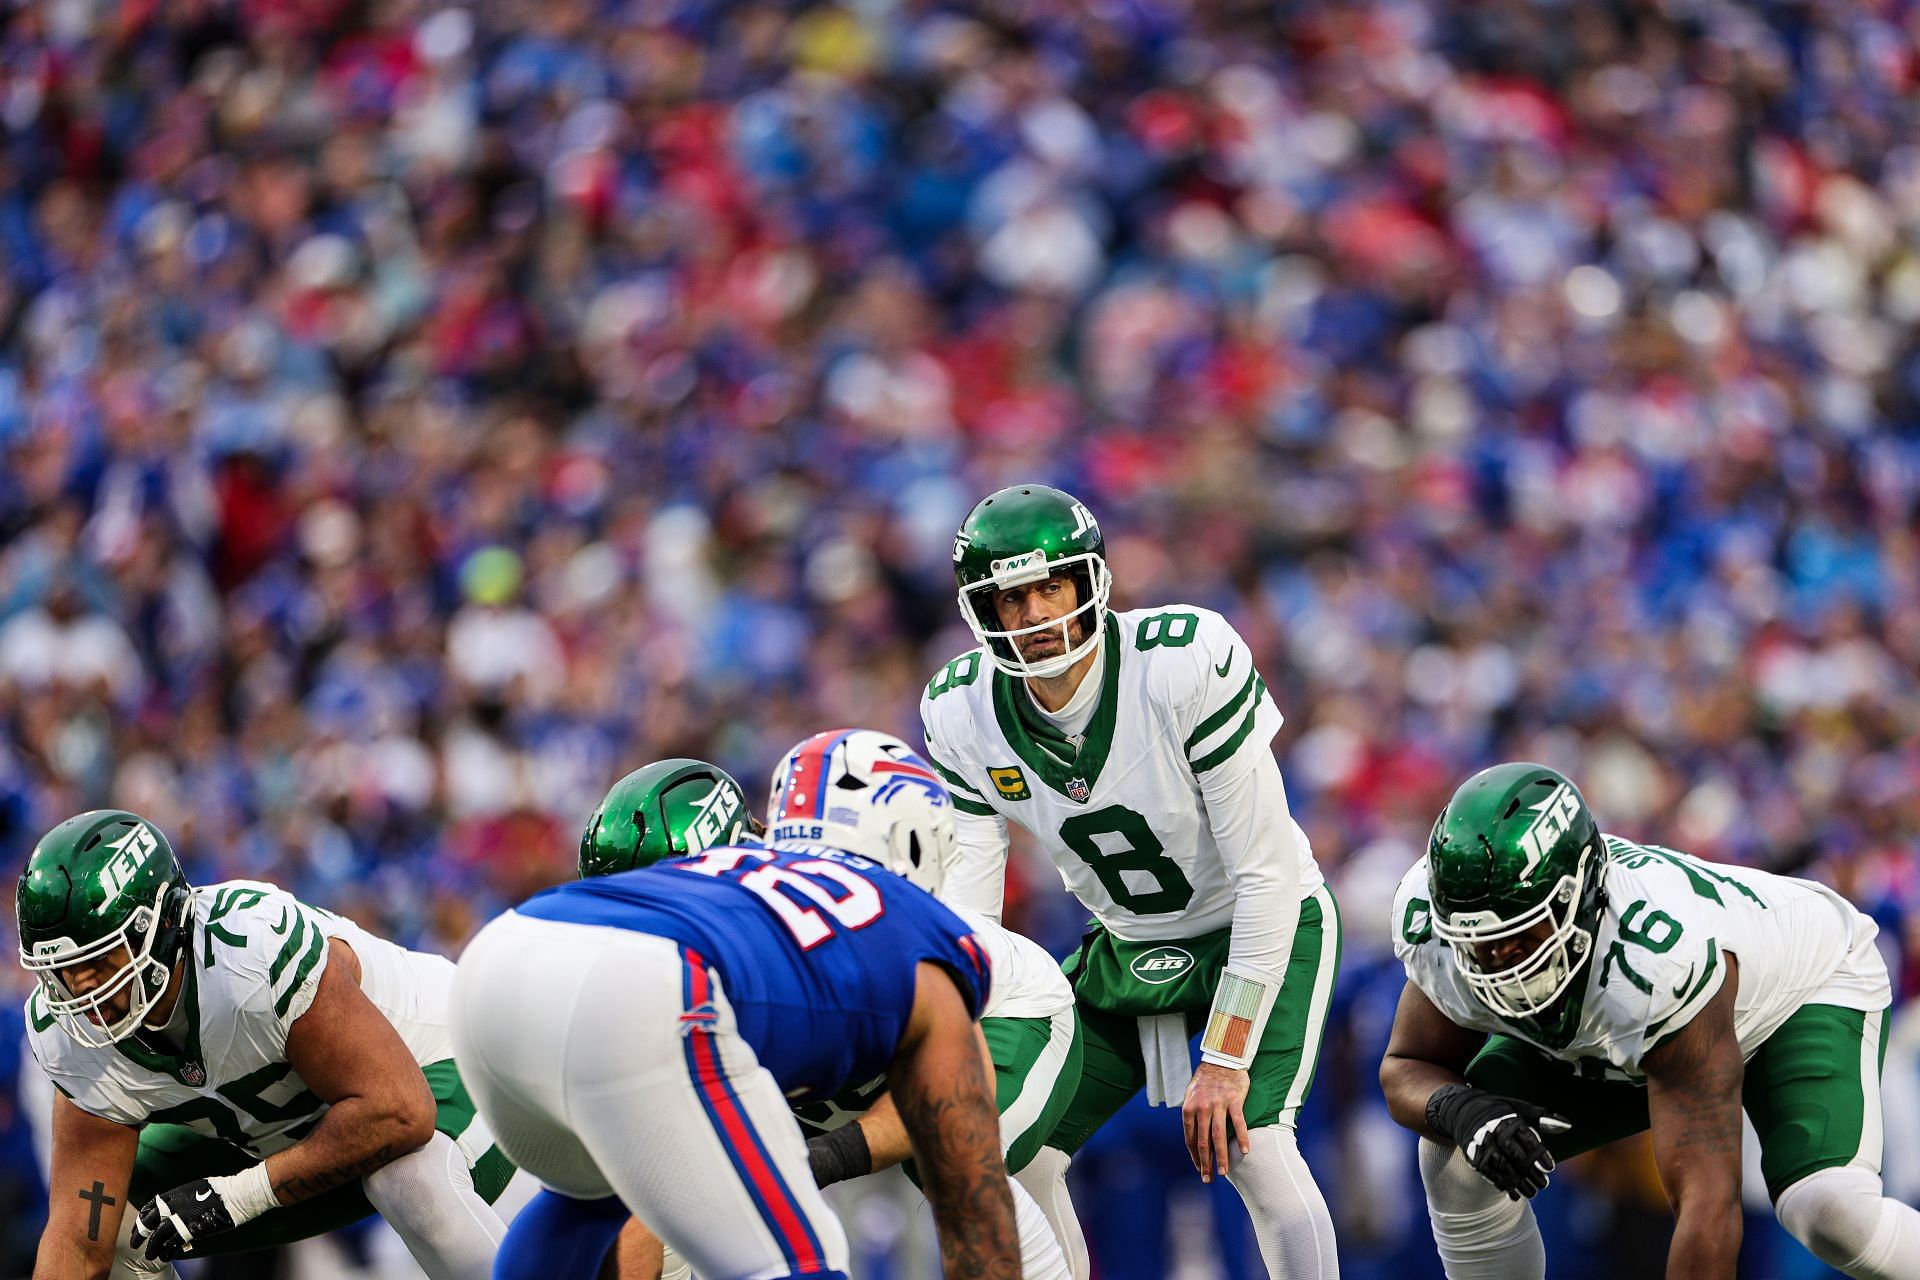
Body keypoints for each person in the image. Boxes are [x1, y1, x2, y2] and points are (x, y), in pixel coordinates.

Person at [920, 484, 1341, 1279]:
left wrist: (1225, 1055)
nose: (1035, 614)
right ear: (982, 609)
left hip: (1257, 924)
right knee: (1009, 1145)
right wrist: (957, 1018)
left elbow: (1266, 871)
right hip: (1127, 942)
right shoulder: (961, 709)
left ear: (1089, 582)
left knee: (1252, 1145)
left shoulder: (1182, 662)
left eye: (1051, 586)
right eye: (1010, 597)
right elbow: (969, 906)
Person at [450, 729, 1024, 1280]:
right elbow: (973, 1207)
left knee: (585, 1197)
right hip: (643, 985)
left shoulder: (742, 872)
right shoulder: (934, 944)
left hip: (501, 958)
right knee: (799, 1256)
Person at [1380, 762, 1920, 1280]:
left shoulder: (1658, 963)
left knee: (1827, 1210)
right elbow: (1407, 1065)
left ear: (1581, 898)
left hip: (1799, 986)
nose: (1501, 967)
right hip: (1629, 1023)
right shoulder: (1439, 932)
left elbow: (1706, 1203)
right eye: (1479, 947)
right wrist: (1462, 1110)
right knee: (1456, 1154)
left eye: (1522, 938)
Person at [571, 752, 1084, 1280]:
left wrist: (817, 1160)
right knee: (681, 1204)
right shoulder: (662, 988)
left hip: (1001, 1017)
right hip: (856, 1073)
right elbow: (641, 1198)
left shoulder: (827, 943)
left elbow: (946, 1078)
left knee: (944, 1152)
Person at [18, 809, 531, 1280]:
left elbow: (399, 1112)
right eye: (59, 972)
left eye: (101, 960)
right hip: (286, 1137)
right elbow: (77, 1242)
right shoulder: (67, 1032)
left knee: (408, 1177)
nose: (81, 992)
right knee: (120, 1226)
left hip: (435, 1071)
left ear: (164, 925)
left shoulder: (251, 952)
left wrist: (241, 1196)